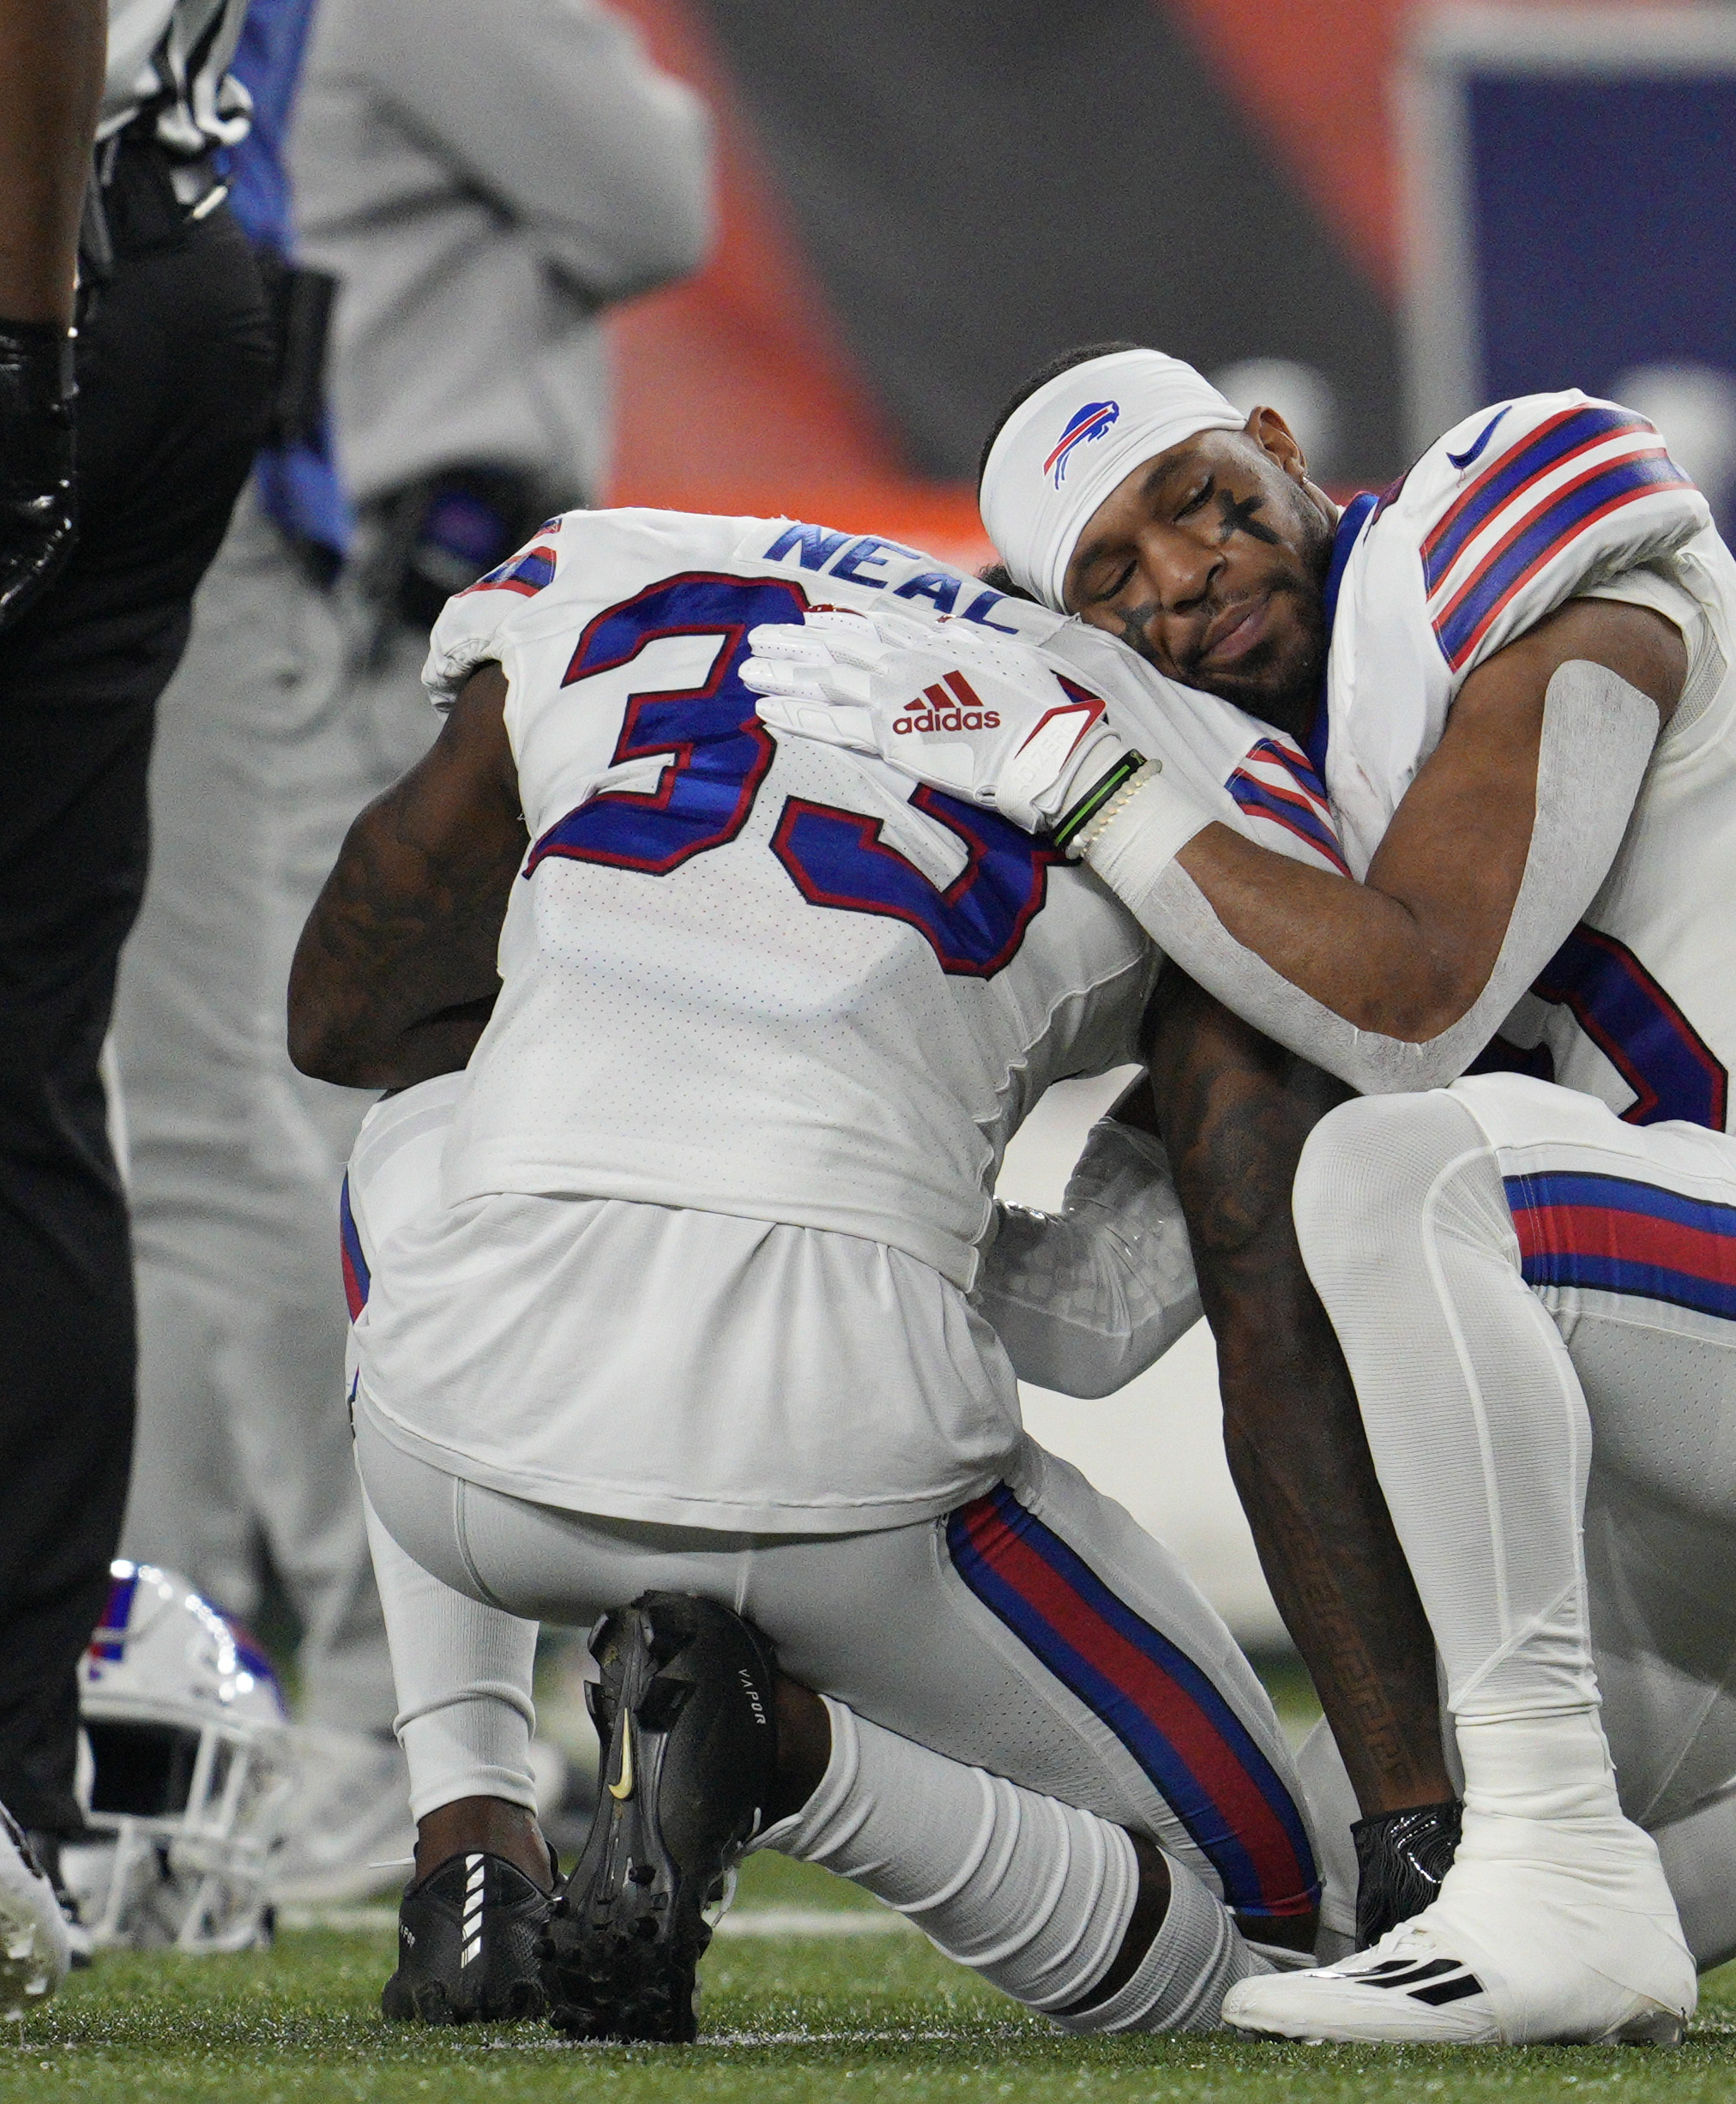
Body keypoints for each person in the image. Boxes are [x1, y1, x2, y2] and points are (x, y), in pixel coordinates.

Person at [743, 347, 1736, 2045]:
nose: (1188, 572)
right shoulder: (1260, 827)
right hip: (1708, 1426)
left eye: (1198, 499)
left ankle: (1548, 1865)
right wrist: (758, 1166)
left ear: (1281, 451)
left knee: (1396, 1161)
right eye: (1115, 577)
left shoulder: (1492, 526)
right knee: (1305, 1920)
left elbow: (1420, 998)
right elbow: (1083, 1318)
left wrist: (1087, 785)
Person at [295, 507, 1339, 2035]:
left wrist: (620, 1072)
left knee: (417, 1137)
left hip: (457, 1454)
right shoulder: (1226, 781)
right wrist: (850, 1206)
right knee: (1287, 1929)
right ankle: (782, 1756)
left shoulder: (629, 571)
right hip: (836, 1474)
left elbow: (336, 1017)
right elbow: (1105, 1325)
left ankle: (468, 1836)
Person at [105, 0, 710, 1902]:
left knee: (234, 1137)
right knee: (189, 1146)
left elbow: (655, 203)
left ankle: (393, 1734)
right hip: (321, 567)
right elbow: (641, 190)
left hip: (346, 588)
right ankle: (211, 1702)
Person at [0, 0, 278, 1921]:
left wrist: (21, 343)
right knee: (24, 1073)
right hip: (150, 243)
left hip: (58, 267)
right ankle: (14, 1806)